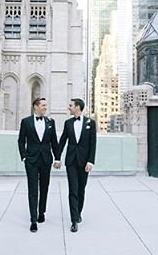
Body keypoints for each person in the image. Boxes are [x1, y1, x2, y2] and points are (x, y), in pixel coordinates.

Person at [17, 97, 59, 232]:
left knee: (44, 188)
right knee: (33, 189)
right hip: (31, 160)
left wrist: (57, 158)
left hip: (46, 160)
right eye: (43, 105)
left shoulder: (50, 122)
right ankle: (33, 219)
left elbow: (54, 142)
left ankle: (42, 212)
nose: (45, 107)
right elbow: (21, 140)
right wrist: (24, 157)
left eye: (46, 105)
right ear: (35, 106)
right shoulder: (26, 122)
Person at [55, 98, 96, 233]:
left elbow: (92, 144)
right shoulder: (68, 123)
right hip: (71, 161)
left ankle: (78, 213)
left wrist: (90, 161)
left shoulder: (91, 123)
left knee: (81, 190)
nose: (69, 108)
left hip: (84, 162)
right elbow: (62, 142)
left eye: (71, 105)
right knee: (73, 189)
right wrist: (57, 158)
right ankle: (74, 220)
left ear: (78, 107)